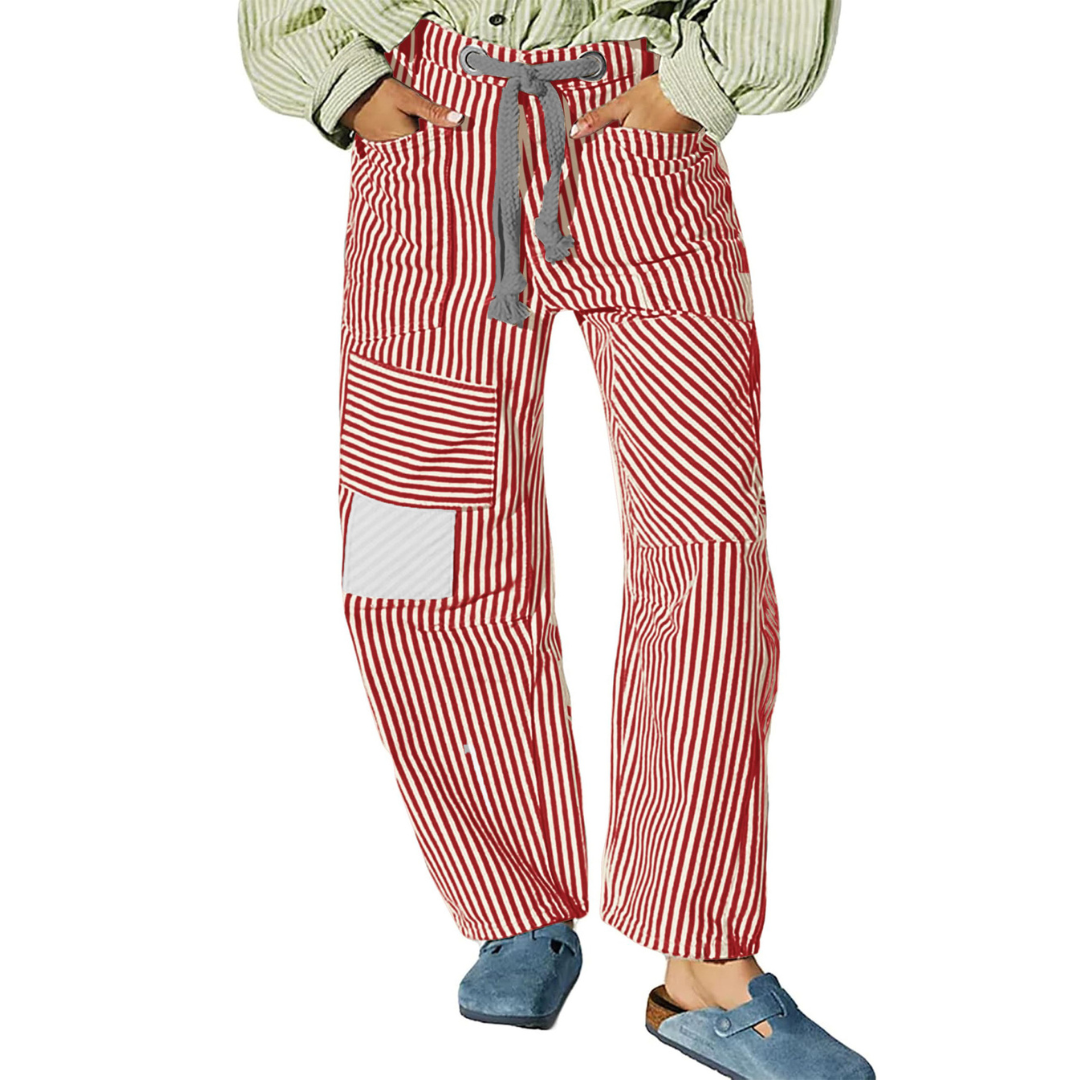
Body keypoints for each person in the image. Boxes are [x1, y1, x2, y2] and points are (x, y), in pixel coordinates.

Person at [238, 4, 873, 1077]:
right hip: (434, 136)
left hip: (640, 133)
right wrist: (338, 79)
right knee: (409, 553)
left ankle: (705, 962)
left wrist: (702, 82)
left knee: (709, 552)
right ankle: (511, 900)